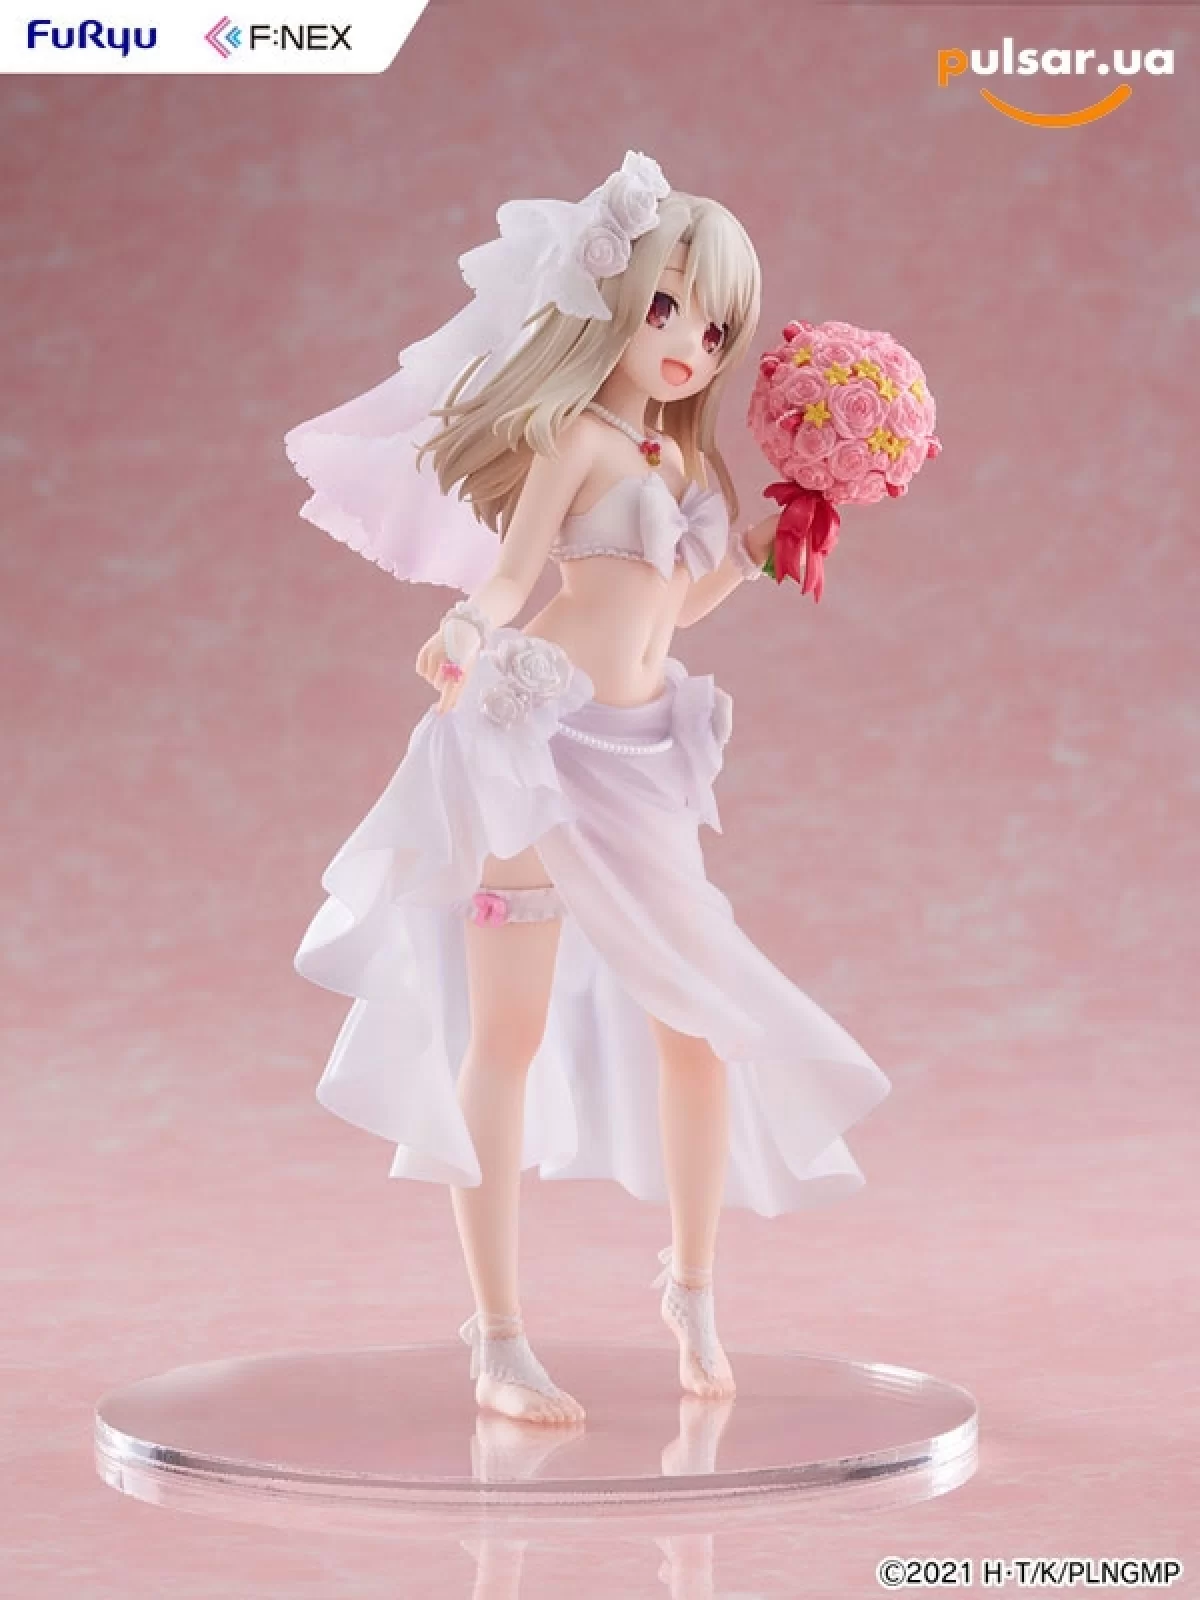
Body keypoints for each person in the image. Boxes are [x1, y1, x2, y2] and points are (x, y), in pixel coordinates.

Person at [285, 152, 891, 1426]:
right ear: (612, 299)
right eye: (666, 307)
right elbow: (517, 576)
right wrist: (467, 627)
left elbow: (677, 605)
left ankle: (694, 1290)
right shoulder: (575, 437)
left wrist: (769, 543)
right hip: (535, 735)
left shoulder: (684, 468)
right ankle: (499, 1335)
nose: (686, 344)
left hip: (646, 755)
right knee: (503, 1033)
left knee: (698, 1023)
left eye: (712, 329)